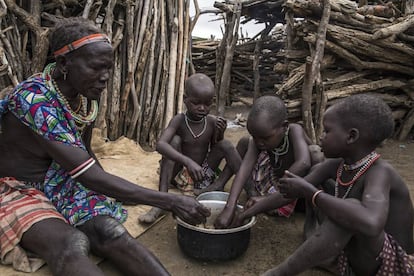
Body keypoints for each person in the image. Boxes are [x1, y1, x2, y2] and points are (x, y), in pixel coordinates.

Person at [0, 17, 210, 275]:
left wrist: (116, 192)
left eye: (109, 69)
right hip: (17, 188)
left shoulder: (82, 97)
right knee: (71, 243)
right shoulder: (34, 100)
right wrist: (168, 200)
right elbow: (86, 174)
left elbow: (86, 154)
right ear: (65, 63)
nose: (106, 78)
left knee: (109, 231)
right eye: (97, 68)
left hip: (62, 179)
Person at [263, 94, 414, 275]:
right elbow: (289, 193)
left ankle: (277, 273)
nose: (321, 136)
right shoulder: (337, 165)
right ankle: (325, 255)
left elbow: (372, 222)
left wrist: (312, 194)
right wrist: (244, 213)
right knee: (321, 185)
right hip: (356, 261)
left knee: (350, 210)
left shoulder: (380, 172)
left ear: (351, 136)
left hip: (393, 267)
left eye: (327, 131)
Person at [138, 73, 242, 224]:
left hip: (201, 174)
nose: (202, 108)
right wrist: (187, 162)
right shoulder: (179, 120)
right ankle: (160, 203)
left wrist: (220, 133)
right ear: (185, 99)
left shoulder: (212, 122)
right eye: (196, 103)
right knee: (174, 141)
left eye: (207, 104)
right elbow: (160, 145)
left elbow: (215, 148)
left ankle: (226, 187)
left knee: (225, 145)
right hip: (179, 173)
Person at [215, 95, 321, 229]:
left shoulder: (294, 130)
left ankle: (312, 220)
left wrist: (271, 197)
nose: (259, 142)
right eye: (256, 136)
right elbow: (244, 169)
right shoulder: (260, 139)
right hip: (275, 180)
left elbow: (304, 163)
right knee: (245, 142)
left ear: (284, 127)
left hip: (298, 188)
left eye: (265, 138)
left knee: (315, 153)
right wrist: (229, 207)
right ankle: (228, 186)